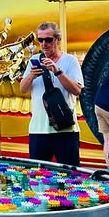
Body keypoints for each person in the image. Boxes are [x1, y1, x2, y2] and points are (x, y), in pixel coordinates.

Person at [19, 21, 83, 166]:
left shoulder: (70, 61)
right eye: (40, 40)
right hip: (38, 129)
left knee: (70, 175)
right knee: (37, 176)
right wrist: (31, 76)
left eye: (48, 39)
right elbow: (22, 89)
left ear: (58, 40)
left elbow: (77, 90)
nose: (44, 44)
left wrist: (57, 71)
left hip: (65, 129)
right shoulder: (34, 60)